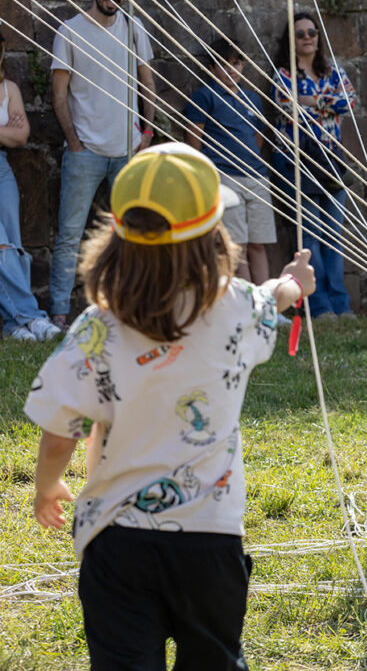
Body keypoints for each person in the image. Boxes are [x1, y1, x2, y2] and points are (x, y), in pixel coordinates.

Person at [28, 142, 314, 669]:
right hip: (212, 540)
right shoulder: (237, 310)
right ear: (214, 234)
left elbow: (58, 430)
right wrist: (296, 281)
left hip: (115, 543)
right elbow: (273, 293)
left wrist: (48, 486)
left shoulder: (98, 326)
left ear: (119, 235)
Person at [49, 0, 156, 329]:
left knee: (133, 235)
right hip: (85, 154)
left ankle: (130, 310)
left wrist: (147, 130)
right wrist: (74, 143)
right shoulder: (70, 31)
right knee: (69, 236)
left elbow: (147, 82)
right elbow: (59, 95)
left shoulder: (134, 29)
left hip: (128, 150)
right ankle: (60, 315)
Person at [272, 11, 357, 320]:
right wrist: (325, 101)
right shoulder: (283, 74)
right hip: (298, 161)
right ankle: (318, 305)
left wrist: (310, 101)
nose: (307, 37)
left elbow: (348, 101)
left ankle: (340, 303)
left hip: (331, 159)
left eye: (312, 32)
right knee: (309, 236)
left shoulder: (334, 72)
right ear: (290, 41)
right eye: (300, 33)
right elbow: (286, 103)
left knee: (333, 233)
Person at [186, 37, 276, 284]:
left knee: (259, 243)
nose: (231, 70)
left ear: (243, 66)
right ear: (212, 69)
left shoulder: (252, 99)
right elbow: (195, 136)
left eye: (236, 63)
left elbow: (258, 137)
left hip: (256, 175)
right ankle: (249, 303)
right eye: (223, 65)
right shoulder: (205, 96)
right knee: (237, 244)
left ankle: (266, 302)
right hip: (225, 176)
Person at [0, 25, 62, 341]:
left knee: (15, 246)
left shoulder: (8, 88)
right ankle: (31, 316)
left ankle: (12, 326)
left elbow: (21, 136)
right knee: (2, 248)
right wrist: (3, 131)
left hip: (2, 171)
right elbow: (9, 134)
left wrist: (10, 135)